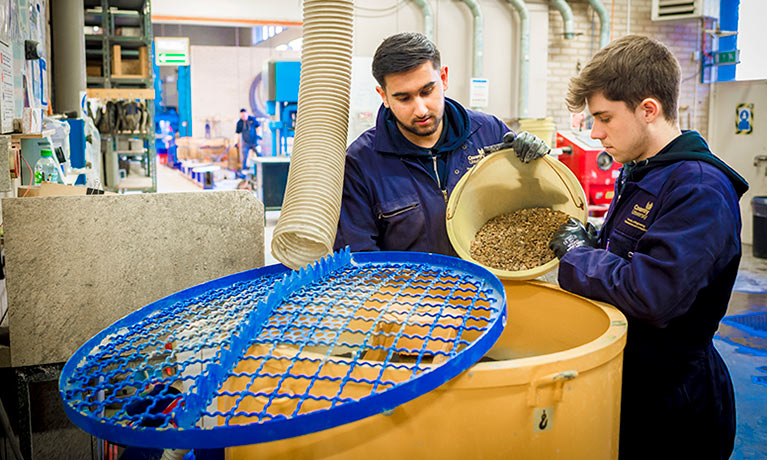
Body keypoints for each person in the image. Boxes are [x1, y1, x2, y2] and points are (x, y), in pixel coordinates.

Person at [548, 35, 748, 460]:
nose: (596, 133)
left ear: (648, 109)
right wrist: (592, 239)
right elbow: (624, 252)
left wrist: (574, 254)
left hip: (676, 406)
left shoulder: (698, 188)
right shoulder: (644, 172)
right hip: (633, 382)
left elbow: (651, 294)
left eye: (604, 118)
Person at [334, 32, 549, 255]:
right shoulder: (361, 163)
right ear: (384, 96)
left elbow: (535, 209)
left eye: (427, 91)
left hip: (491, 285)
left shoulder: (489, 133)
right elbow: (359, 258)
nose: (421, 110)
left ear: (444, 78)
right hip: (408, 289)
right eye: (403, 98)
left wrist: (535, 170)